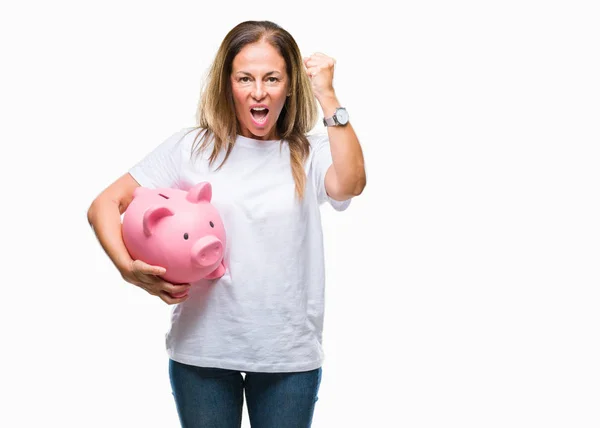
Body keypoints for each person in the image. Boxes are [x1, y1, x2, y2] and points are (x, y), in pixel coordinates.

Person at [87, 20, 366, 428]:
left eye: (272, 78)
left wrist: (327, 96)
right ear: (227, 84)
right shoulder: (192, 147)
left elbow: (352, 183)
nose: (258, 92)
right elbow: (105, 205)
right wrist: (129, 270)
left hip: (287, 354)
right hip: (203, 352)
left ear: (290, 85)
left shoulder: (309, 152)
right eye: (245, 78)